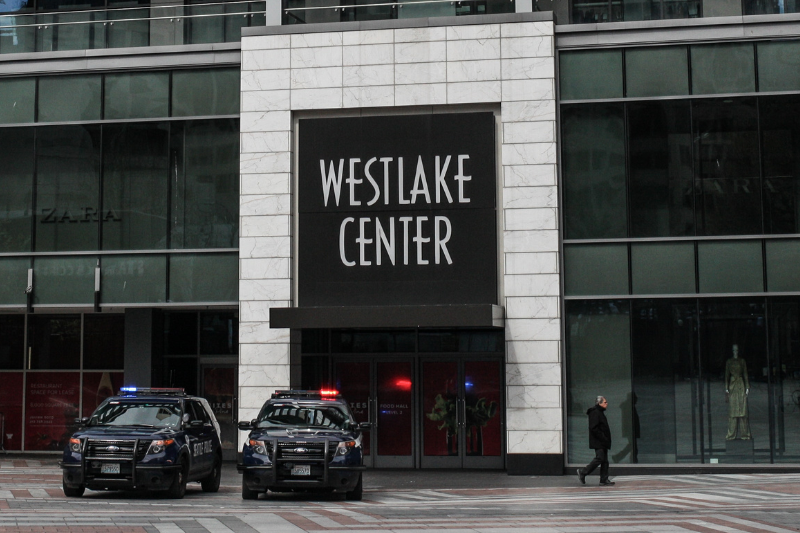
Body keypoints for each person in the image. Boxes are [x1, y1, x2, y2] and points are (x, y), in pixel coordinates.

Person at [577, 396, 615, 486]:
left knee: (604, 460)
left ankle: (604, 479)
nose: (607, 404)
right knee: (600, 458)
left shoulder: (600, 412)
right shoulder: (595, 412)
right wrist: (603, 437)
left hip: (602, 441)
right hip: (599, 441)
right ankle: (583, 472)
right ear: (599, 403)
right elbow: (593, 428)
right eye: (605, 402)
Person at [725, 344, 751, 440]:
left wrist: (747, 386)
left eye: (737, 349)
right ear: (732, 350)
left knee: (743, 411)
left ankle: (745, 434)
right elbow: (726, 375)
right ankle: (731, 434)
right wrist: (726, 388)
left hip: (740, 385)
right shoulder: (729, 361)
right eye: (734, 350)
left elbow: (745, 374)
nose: (735, 351)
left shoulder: (742, 361)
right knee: (732, 411)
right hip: (732, 385)